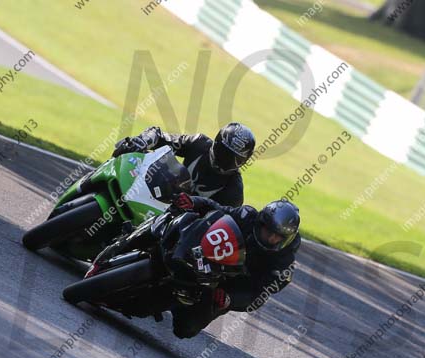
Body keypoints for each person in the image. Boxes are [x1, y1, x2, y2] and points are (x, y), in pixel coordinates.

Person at [87, 193, 300, 339]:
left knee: (185, 329)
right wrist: (192, 201)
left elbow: (257, 296)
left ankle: (159, 301)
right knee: (167, 222)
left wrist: (229, 299)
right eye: (268, 231)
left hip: (221, 285)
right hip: (201, 253)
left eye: (277, 236)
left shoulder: (282, 265)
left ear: (286, 239)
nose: (271, 237)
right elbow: (217, 209)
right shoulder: (247, 216)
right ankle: (120, 245)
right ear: (261, 222)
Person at [111, 123, 256, 207]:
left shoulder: (233, 191)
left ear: (244, 161)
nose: (225, 160)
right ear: (216, 143)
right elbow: (161, 136)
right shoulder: (199, 143)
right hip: (158, 194)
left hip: (177, 226)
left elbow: (217, 224)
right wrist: (143, 140)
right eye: (223, 152)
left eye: (234, 158)